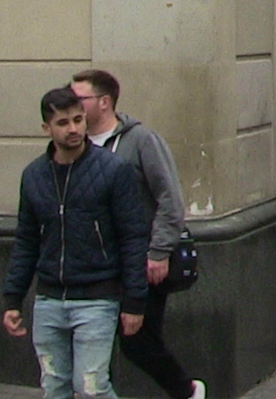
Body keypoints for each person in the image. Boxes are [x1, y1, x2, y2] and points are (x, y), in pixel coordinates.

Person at [4, 88, 150, 399]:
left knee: (91, 388)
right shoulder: (34, 176)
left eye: (78, 120)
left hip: (98, 298)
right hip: (48, 299)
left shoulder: (113, 170)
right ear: (47, 128)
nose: (73, 129)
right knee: (54, 385)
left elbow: (133, 236)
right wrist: (13, 299)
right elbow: (27, 240)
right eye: (63, 122)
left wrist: (135, 301)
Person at [68, 70, 202, 399]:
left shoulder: (140, 141)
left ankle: (186, 390)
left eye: (79, 98)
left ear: (104, 102)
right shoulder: (75, 145)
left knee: (138, 341)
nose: (71, 105)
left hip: (139, 260)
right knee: (93, 342)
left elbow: (169, 199)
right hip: (94, 263)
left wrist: (157, 252)